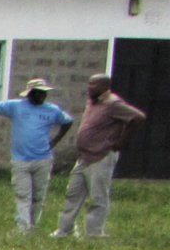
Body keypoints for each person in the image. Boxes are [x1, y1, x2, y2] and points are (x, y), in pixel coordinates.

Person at [0, 77, 72, 233]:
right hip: (21, 160)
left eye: (44, 93)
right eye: (38, 92)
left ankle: (33, 225)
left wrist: (55, 140)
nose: (42, 96)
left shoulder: (52, 110)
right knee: (23, 194)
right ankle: (23, 228)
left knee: (38, 195)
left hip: (43, 159)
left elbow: (67, 121)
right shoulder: (16, 106)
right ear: (30, 94)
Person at [52, 73, 146, 239]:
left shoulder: (113, 103)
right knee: (73, 193)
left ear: (105, 87)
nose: (90, 87)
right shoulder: (92, 101)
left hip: (101, 156)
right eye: (89, 84)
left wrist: (122, 141)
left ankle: (95, 233)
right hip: (84, 156)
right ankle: (65, 230)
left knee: (98, 196)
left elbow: (138, 117)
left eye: (94, 85)